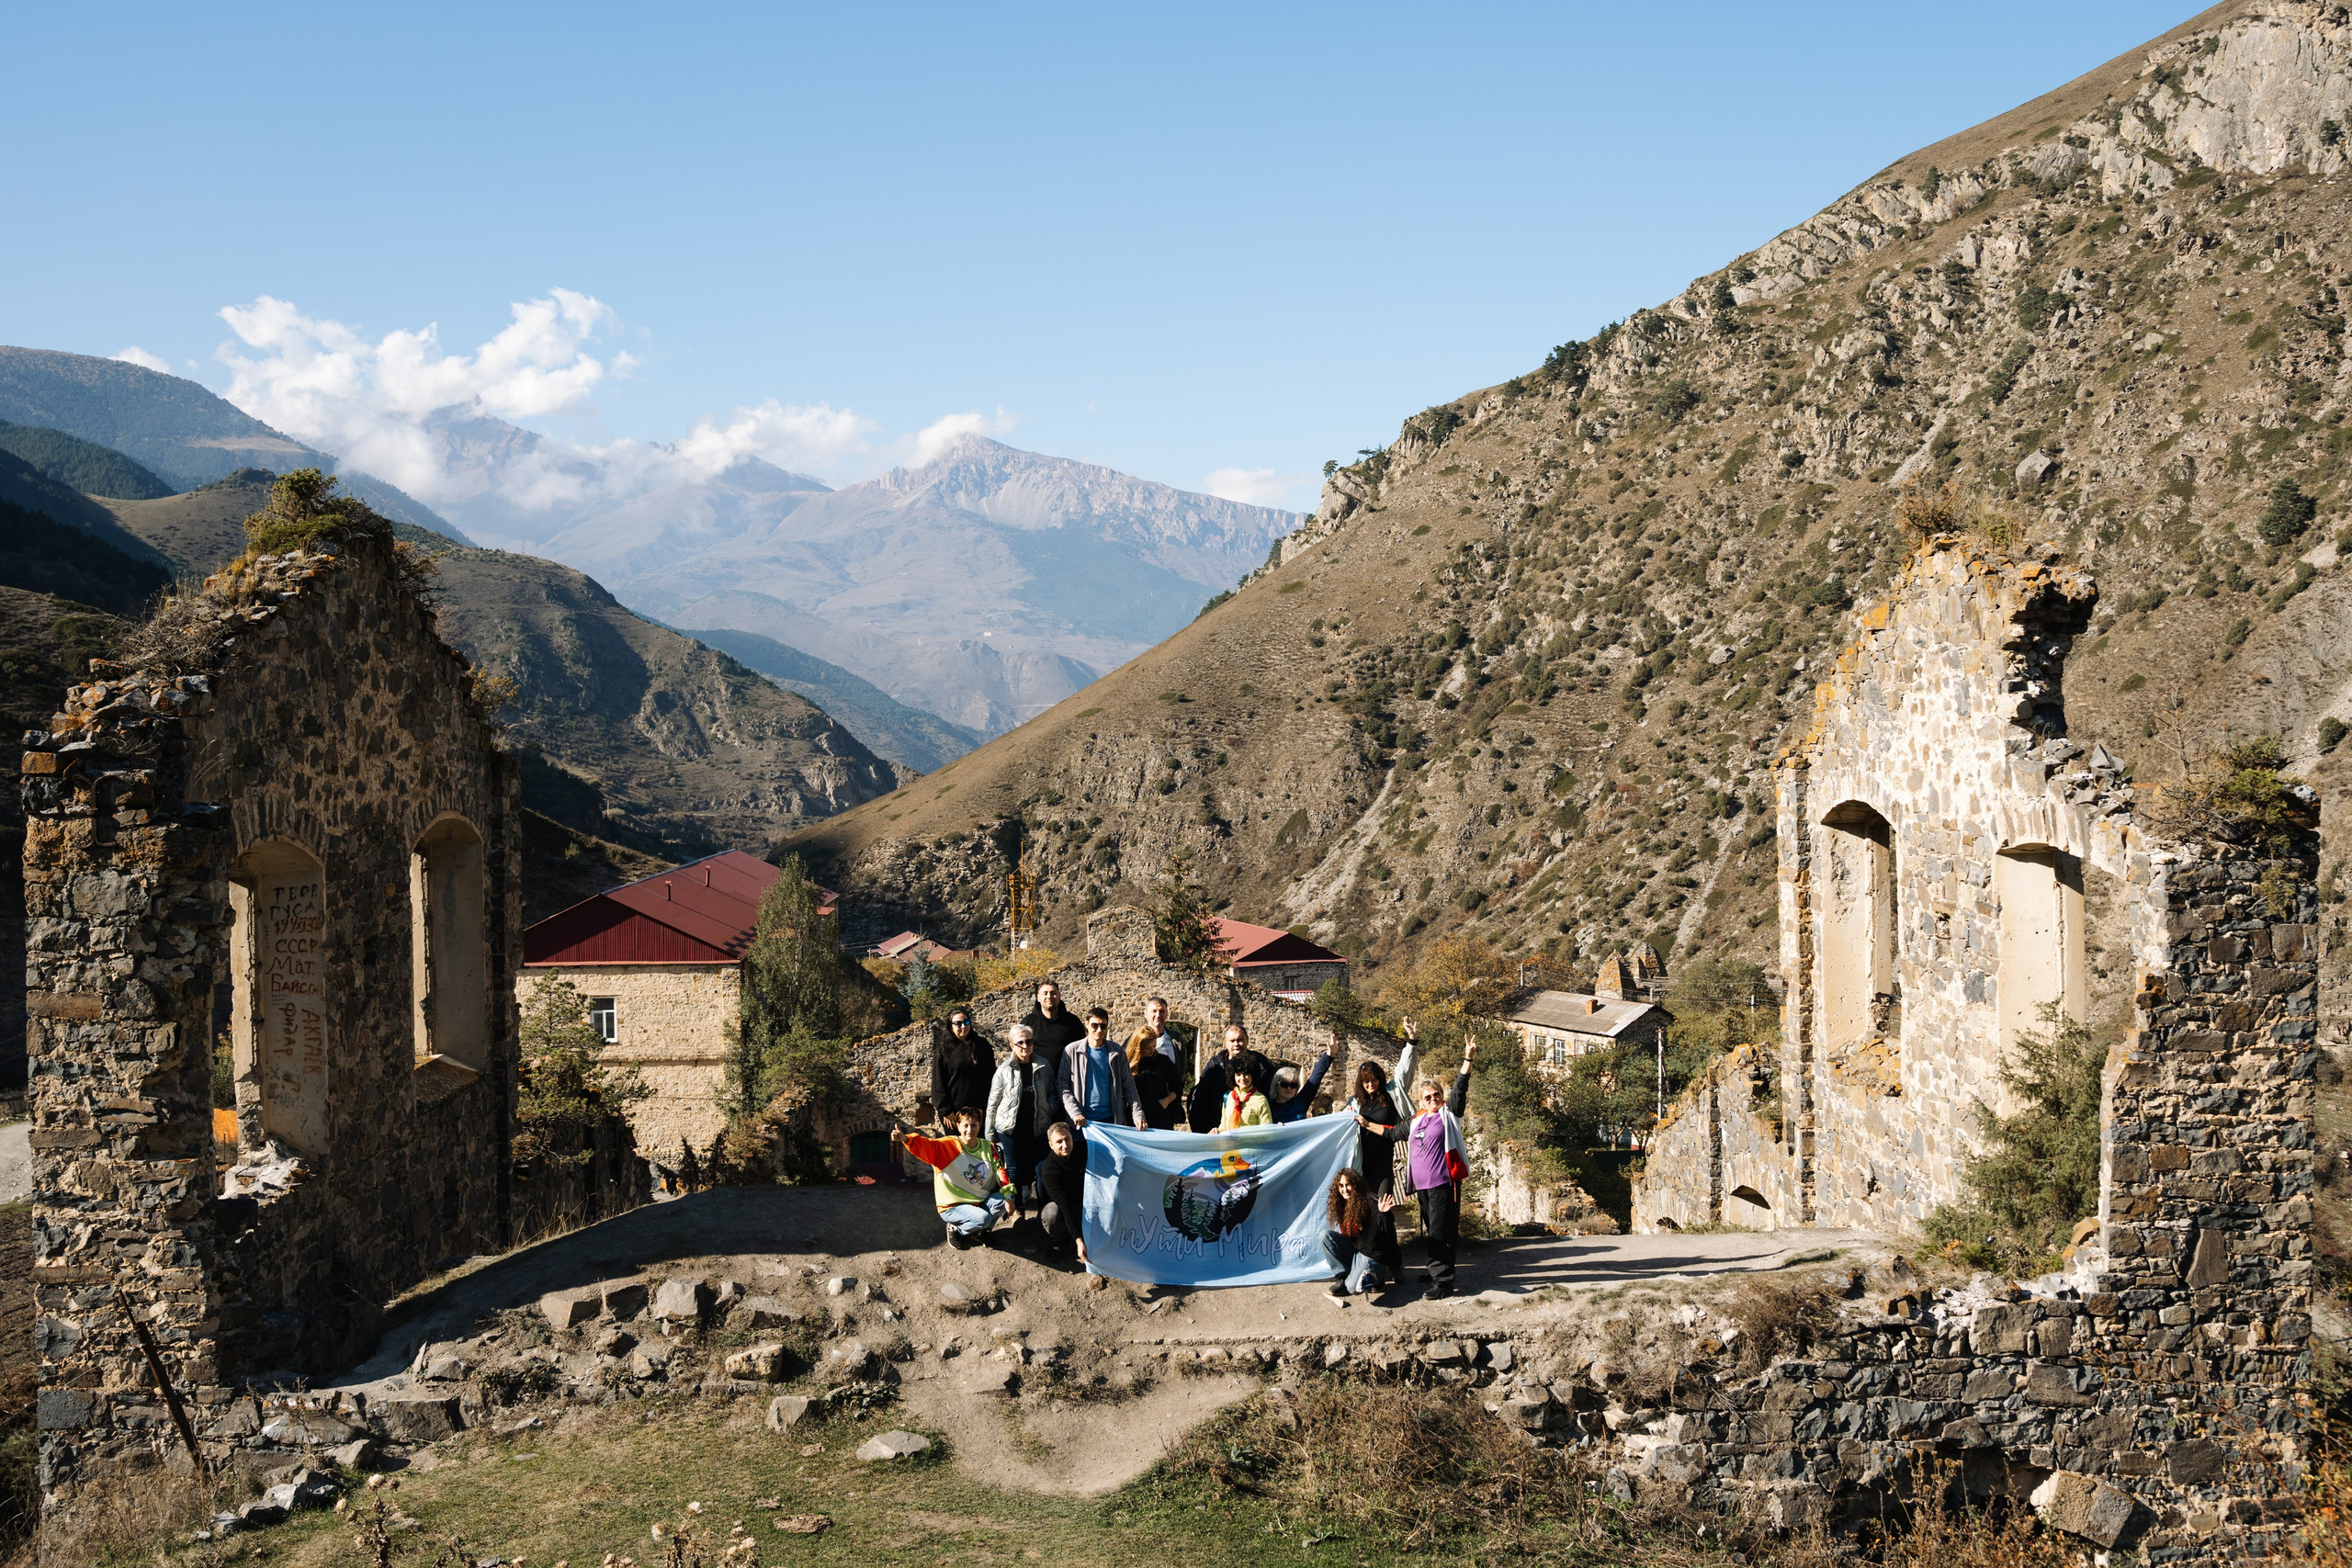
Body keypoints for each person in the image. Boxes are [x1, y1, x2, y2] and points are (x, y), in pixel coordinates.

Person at [1359, 1034, 1476, 1300]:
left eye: (1436, 1095)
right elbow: (1391, 1133)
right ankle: (1439, 1271)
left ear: (1441, 1097)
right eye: (1427, 1097)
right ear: (1421, 1100)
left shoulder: (1449, 1115)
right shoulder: (1417, 1119)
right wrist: (1366, 1125)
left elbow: (1460, 1088)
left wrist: (1467, 1058)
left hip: (1443, 1183)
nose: (1433, 1099)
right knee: (1433, 1229)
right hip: (1422, 1186)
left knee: (1440, 1231)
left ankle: (1443, 1282)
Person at [892, 1106, 1015, 1250]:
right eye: (966, 1125)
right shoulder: (947, 1145)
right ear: (958, 1126)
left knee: (1002, 1201)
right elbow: (925, 1145)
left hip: (978, 1202)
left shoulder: (988, 1147)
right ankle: (955, 1229)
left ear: (979, 1126)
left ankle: (978, 1231)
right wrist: (905, 1138)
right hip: (953, 1206)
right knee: (984, 1219)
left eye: (974, 1125)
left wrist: (1009, 1197)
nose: (970, 1130)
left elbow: (1000, 1170)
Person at [986, 1023, 1056, 1209]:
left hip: (1038, 1126)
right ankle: (1018, 1212)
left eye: (1029, 1041)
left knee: (1041, 1169)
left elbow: (1052, 1092)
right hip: (1011, 1129)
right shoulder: (1004, 1069)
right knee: (1014, 1171)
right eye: (1020, 1042)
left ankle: (1044, 1210)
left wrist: (1048, 1108)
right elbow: (993, 1102)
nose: (1025, 1046)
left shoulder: (1043, 1065)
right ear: (1011, 1046)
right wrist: (990, 1135)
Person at [1060, 1007, 1147, 1130]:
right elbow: (1063, 1086)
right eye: (1095, 1025)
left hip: (1111, 1120)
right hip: (1081, 1121)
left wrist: (1138, 1115)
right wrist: (1075, 1112)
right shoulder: (1072, 1051)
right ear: (1087, 1024)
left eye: (1103, 1026)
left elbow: (1129, 1086)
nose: (1099, 1030)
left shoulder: (1117, 1052)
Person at [1323, 1168, 1398, 1300]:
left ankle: (1378, 1279)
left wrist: (1385, 1214)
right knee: (1326, 1236)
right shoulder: (1344, 1204)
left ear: (1356, 1185)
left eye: (1348, 1184)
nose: (1344, 1189)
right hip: (1357, 1252)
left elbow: (1388, 1233)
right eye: (1341, 1186)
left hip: (1373, 1256)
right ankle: (1345, 1278)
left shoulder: (1370, 1202)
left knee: (1353, 1288)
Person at [1188, 1023, 1272, 1132]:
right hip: (1219, 1131)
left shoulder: (1261, 1063)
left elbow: (1275, 1093)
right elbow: (1200, 1098)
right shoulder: (1216, 1065)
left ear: (1247, 1040)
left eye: (1240, 1040)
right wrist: (1201, 1131)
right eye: (1232, 1041)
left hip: (1253, 1133)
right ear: (1225, 1043)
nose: (1236, 1044)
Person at [930, 1010, 995, 1133]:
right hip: (954, 1114)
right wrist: (945, 1111)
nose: (963, 1026)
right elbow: (938, 1084)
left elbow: (992, 1076)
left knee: (979, 1149)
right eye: (958, 1023)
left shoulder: (982, 1046)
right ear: (951, 1026)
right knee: (957, 1149)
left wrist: (991, 1107)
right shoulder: (944, 1051)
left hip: (981, 1110)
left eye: (966, 1022)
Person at [1035, 1120, 1089, 1265]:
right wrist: (1079, 1240)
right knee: (1052, 1214)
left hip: (1086, 1203)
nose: (1065, 1145)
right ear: (1050, 1145)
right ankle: (1060, 1241)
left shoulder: (1083, 1148)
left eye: (1068, 1139)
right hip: (1064, 1208)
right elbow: (1065, 1206)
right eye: (1059, 1142)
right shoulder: (1049, 1171)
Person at [1022, 979, 1088, 1085]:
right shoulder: (1027, 1023)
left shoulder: (1072, 1022)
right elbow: (1018, 1052)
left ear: (1059, 996)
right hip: (1037, 1082)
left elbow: (1083, 1050)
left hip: (1068, 1081)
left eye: (1053, 993)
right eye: (1045, 993)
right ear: (1038, 998)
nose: (1049, 997)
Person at [1127, 1018, 1186, 1131]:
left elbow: (1178, 1086)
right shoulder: (1128, 1064)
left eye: (1154, 1046)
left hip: (1161, 1117)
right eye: (1148, 1048)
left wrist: (1166, 1101)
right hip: (1136, 1119)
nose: (1152, 1050)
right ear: (1138, 1047)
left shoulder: (1163, 1061)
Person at [1268, 1046, 1333, 1123]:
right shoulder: (1266, 1105)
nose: (1289, 1088)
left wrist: (1329, 1054)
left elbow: (1316, 1078)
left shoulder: (1301, 1102)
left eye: (1293, 1085)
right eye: (1284, 1084)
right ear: (1276, 1085)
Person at [1123, 996, 1182, 1068]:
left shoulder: (1176, 1039)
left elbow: (1182, 1067)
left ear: (1167, 1014)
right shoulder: (1134, 1040)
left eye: (1162, 1011)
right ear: (1146, 1014)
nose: (1158, 1015)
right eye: (1154, 1011)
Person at [1219, 1062, 1272, 1129]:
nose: (1242, 1078)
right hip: (1228, 1139)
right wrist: (1216, 1132)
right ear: (1233, 1077)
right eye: (1238, 1075)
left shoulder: (1260, 1099)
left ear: (1252, 1075)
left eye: (1246, 1074)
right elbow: (1224, 1124)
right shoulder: (1229, 1096)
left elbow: (1266, 1130)